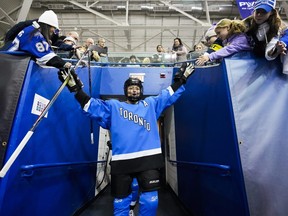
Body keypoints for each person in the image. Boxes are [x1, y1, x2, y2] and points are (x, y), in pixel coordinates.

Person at [57, 62, 195, 216]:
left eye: (137, 89)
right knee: (121, 201)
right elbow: (92, 106)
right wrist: (77, 90)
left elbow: (168, 94)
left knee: (150, 200)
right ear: (125, 91)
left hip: (148, 160)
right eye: (131, 88)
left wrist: (181, 80)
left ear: (141, 91)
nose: (134, 91)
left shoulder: (150, 104)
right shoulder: (113, 106)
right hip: (122, 162)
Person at [3, 10, 72, 69]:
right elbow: (47, 57)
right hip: (7, 64)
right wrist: (64, 64)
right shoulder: (34, 34)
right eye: (53, 28)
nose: (53, 31)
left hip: (9, 63)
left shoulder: (33, 30)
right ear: (47, 26)